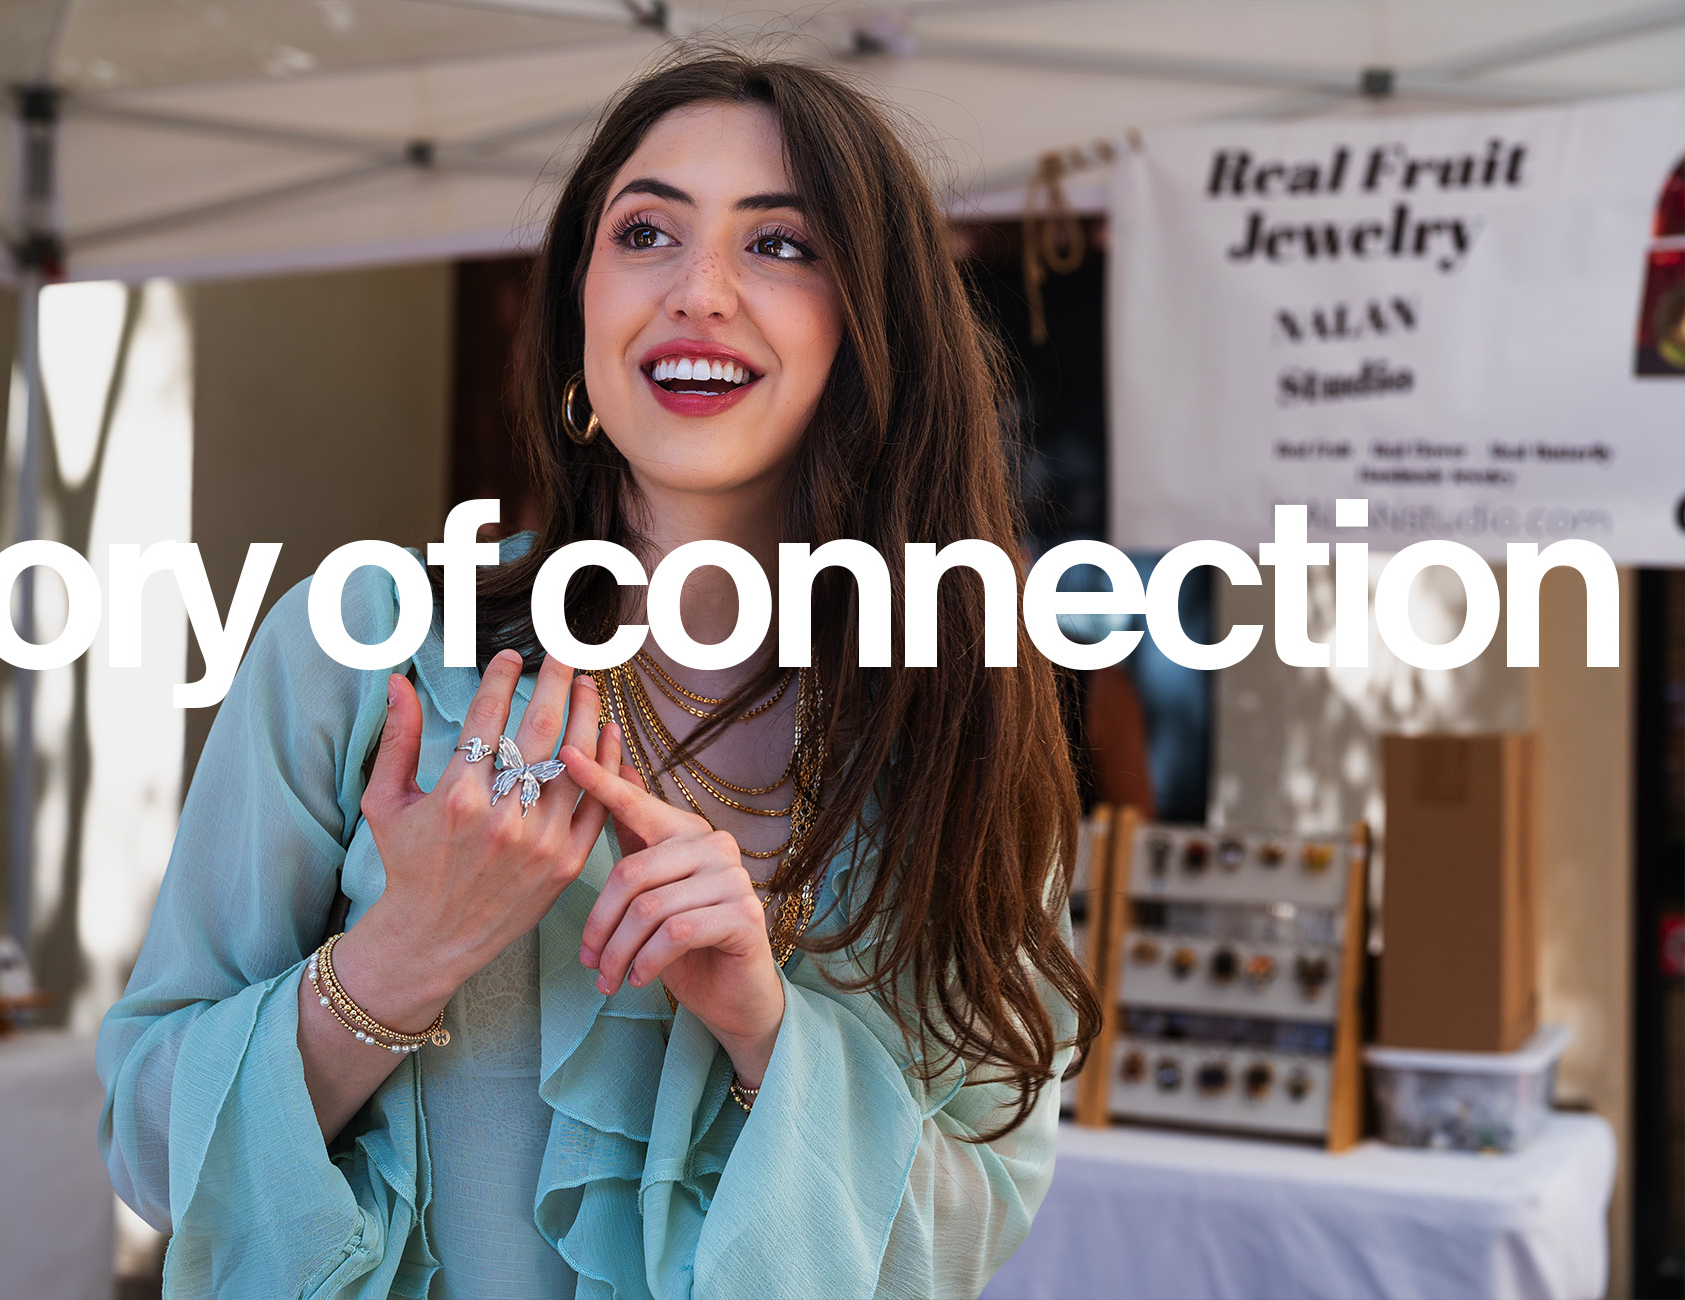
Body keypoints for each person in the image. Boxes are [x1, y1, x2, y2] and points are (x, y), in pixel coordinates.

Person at [97, 51, 1098, 1300]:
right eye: (646, 233)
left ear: (867, 328)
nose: (699, 291)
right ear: (581, 306)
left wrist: (766, 1034)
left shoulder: (953, 711)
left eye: (780, 244)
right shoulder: (359, 647)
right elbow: (149, 1151)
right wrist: (401, 955)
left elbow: (980, 1209)